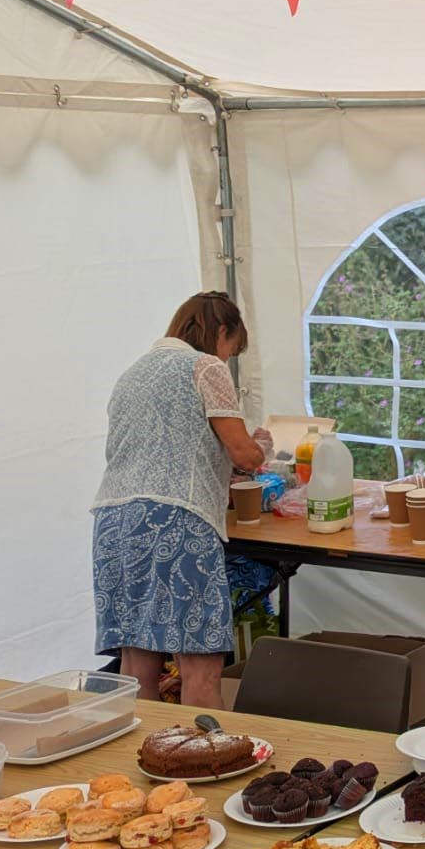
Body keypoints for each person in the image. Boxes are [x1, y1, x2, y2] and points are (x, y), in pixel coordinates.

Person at [91, 292, 272, 708]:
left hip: (113, 523)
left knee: (137, 658)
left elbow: (164, 448)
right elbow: (242, 453)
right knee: (200, 663)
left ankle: (145, 761)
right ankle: (207, 762)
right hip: (174, 520)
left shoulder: (132, 374)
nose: (227, 359)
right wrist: (261, 446)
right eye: (232, 349)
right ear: (221, 332)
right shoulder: (204, 366)